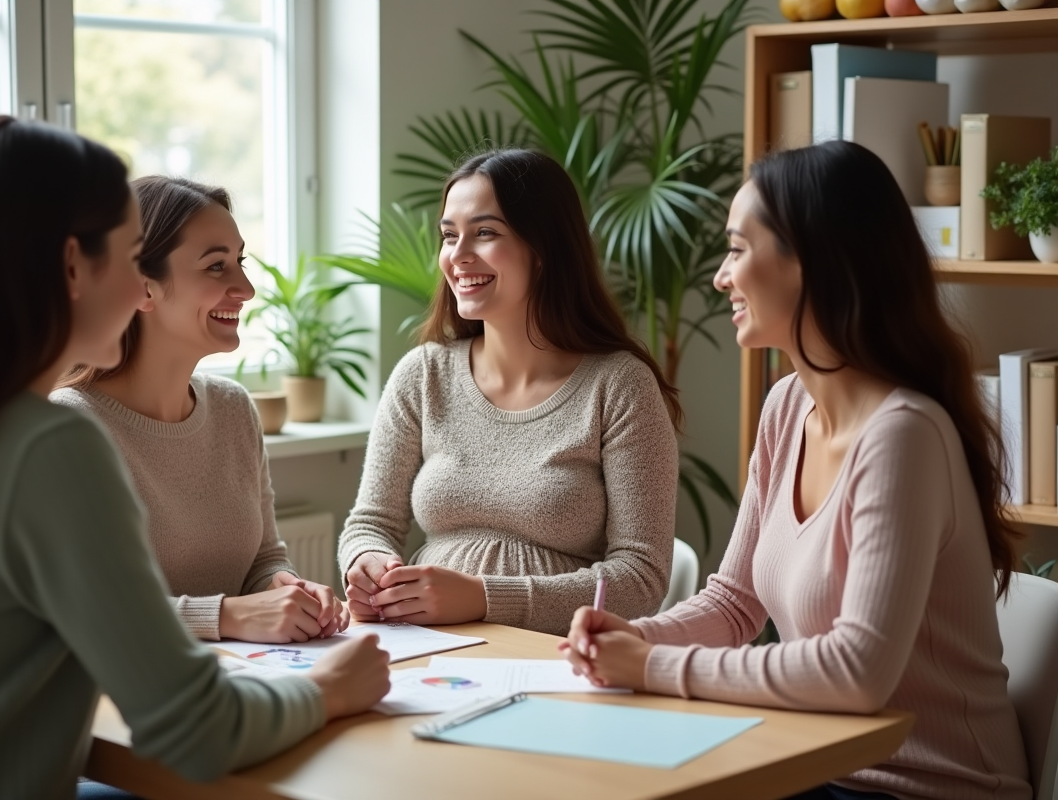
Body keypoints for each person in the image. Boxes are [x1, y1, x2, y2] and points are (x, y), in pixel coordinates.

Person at [0, 116, 389, 800]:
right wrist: (330, 690)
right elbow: (196, 731)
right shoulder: (52, 445)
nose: (141, 286)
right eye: (134, 255)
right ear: (76, 266)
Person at [561, 141, 1031, 800]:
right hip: (815, 763)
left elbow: (858, 670)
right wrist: (632, 636)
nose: (722, 277)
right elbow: (734, 604)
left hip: (925, 785)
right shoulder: (787, 406)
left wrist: (654, 665)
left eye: (736, 250)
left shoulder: (903, 435)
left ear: (809, 264)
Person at [338, 148, 681, 637]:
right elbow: (369, 522)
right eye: (449, 235)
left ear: (544, 250)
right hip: (424, 641)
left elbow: (640, 577)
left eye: (485, 233)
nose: (457, 256)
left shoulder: (620, 386)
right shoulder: (423, 374)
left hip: (555, 652)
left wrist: (483, 599)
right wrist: (369, 562)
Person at [53, 176, 343, 644]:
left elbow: (263, 557)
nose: (245, 288)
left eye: (240, 262)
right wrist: (229, 617)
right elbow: (80, 609)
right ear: (141, 288)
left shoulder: (233, 409)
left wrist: (285, 589)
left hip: (238, 678)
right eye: (215, 267)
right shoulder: (71, 425)